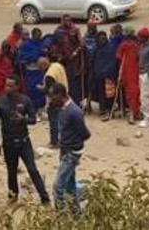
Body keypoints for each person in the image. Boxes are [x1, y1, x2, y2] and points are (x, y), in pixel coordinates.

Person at [0, 75, 51, 204]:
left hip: (24, 141)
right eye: (6, 85)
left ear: (17, 87)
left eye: (10, 86)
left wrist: (23, 119)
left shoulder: (25, 100)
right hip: (8, 142)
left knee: (32, 169)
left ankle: (44, 197)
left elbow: (33, 119)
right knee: (11, 171)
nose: (7, 88)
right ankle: (13, 196)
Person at [48, 83, 89, 212]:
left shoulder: (74, 112)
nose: (50, 100)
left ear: (60, 95)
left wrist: (73, 145)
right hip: (65, 150)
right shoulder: (62, 109)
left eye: (52, 96)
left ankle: (60, 216)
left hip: (71, 153)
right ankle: (76, 213)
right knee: (70, 185)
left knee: (58, 187)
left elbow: (85, 134)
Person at [54, 15, 85, 107]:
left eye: (68, 20)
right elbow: (55, 44)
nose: (66, 22)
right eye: (64, 20)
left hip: (74, 61)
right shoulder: (58, 31)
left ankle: (76, 102)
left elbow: (81, 44)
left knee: (74, 82)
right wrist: (58, 54)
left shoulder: (75, 30)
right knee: (63, 80)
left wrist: (75, 52)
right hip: (63, 60)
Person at [39, 57, 68, 148]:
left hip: (54, 101)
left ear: (44, 65)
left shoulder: (49, 75)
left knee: (54, 122)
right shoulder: (57, 65)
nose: (40, 70)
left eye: (40, 67)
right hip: (64, 96)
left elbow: (49, 90)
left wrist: (42, 88)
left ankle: (54, 142)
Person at [116, 27, 141, 124]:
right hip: (128, 72)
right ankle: (132, 113)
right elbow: (119, 57)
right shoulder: (126, 45)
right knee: (131, 93)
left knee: (135, 92)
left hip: (134, 71)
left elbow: (118, 57)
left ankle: (136, 112)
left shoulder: (134, 45)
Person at [91, 31, 118, 120]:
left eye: (104, 38)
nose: (102, 40)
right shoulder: (95, 48)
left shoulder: (111, 48)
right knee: (100, 92)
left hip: (108, 75)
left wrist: (107, 71)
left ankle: (110, 110)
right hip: (98, 75)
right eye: (100, 38)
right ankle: (103, 109)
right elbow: (92, 59)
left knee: (109, 93)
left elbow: (113, 61)